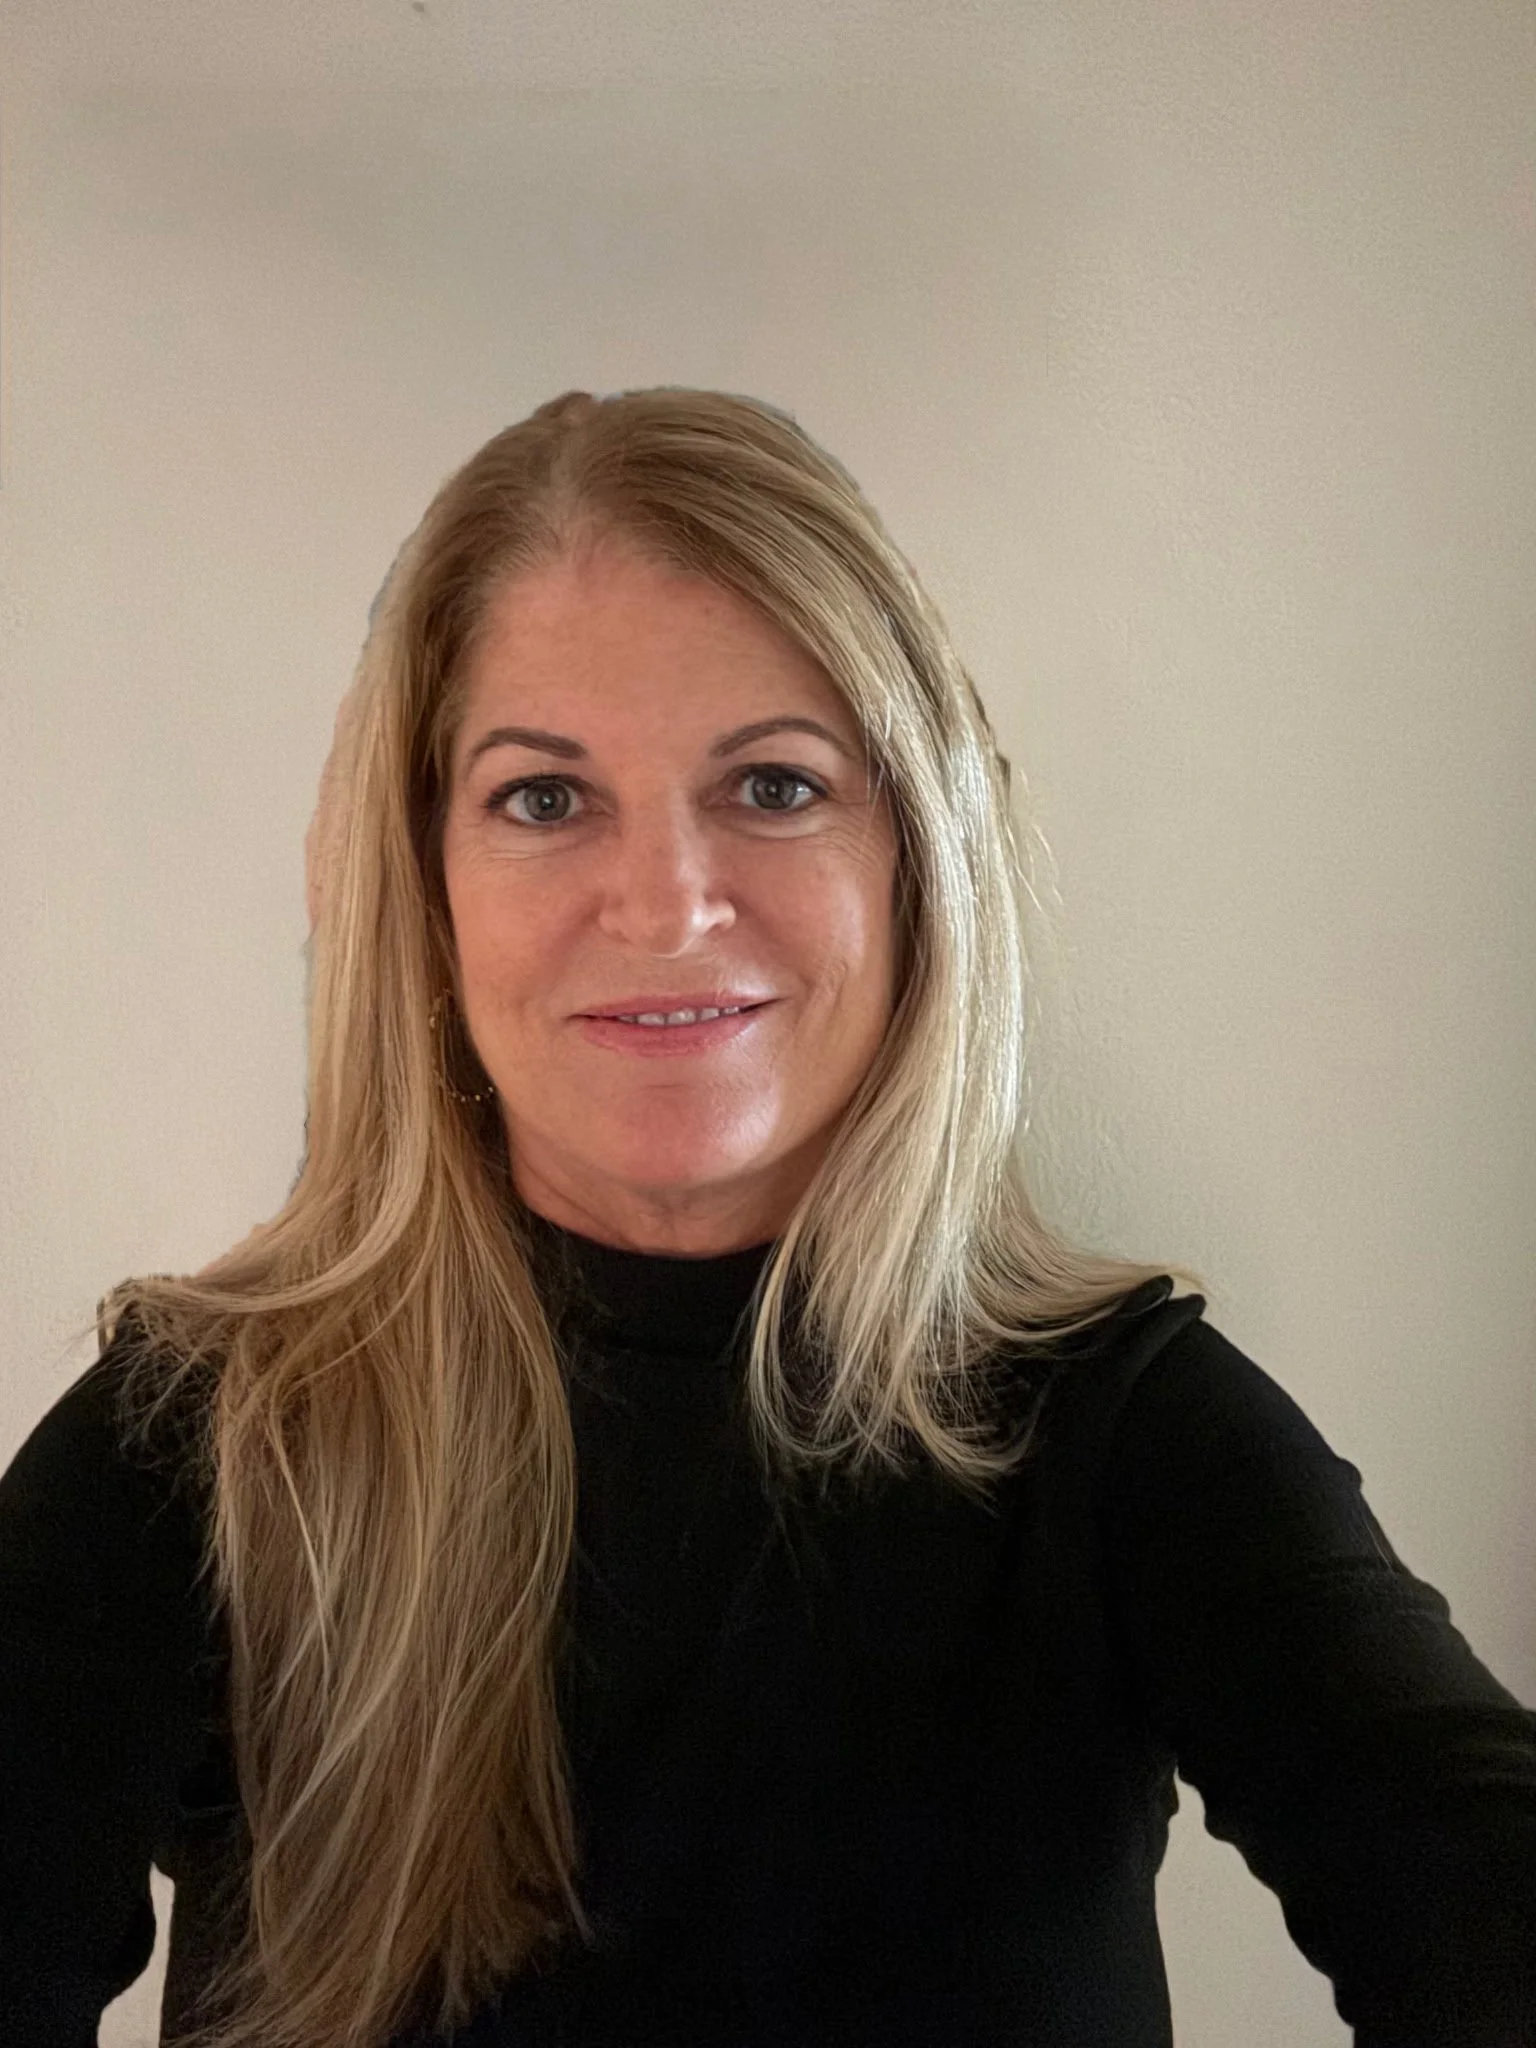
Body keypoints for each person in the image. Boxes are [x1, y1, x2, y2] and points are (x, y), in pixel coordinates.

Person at [1, 386, 1532, 2048]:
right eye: (542, 797)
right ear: (423, 888)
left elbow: (1457, 1852)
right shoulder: (204, 1436)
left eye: (778, 787)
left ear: (916, 862)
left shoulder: (1123, 1429)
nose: (666, 903)